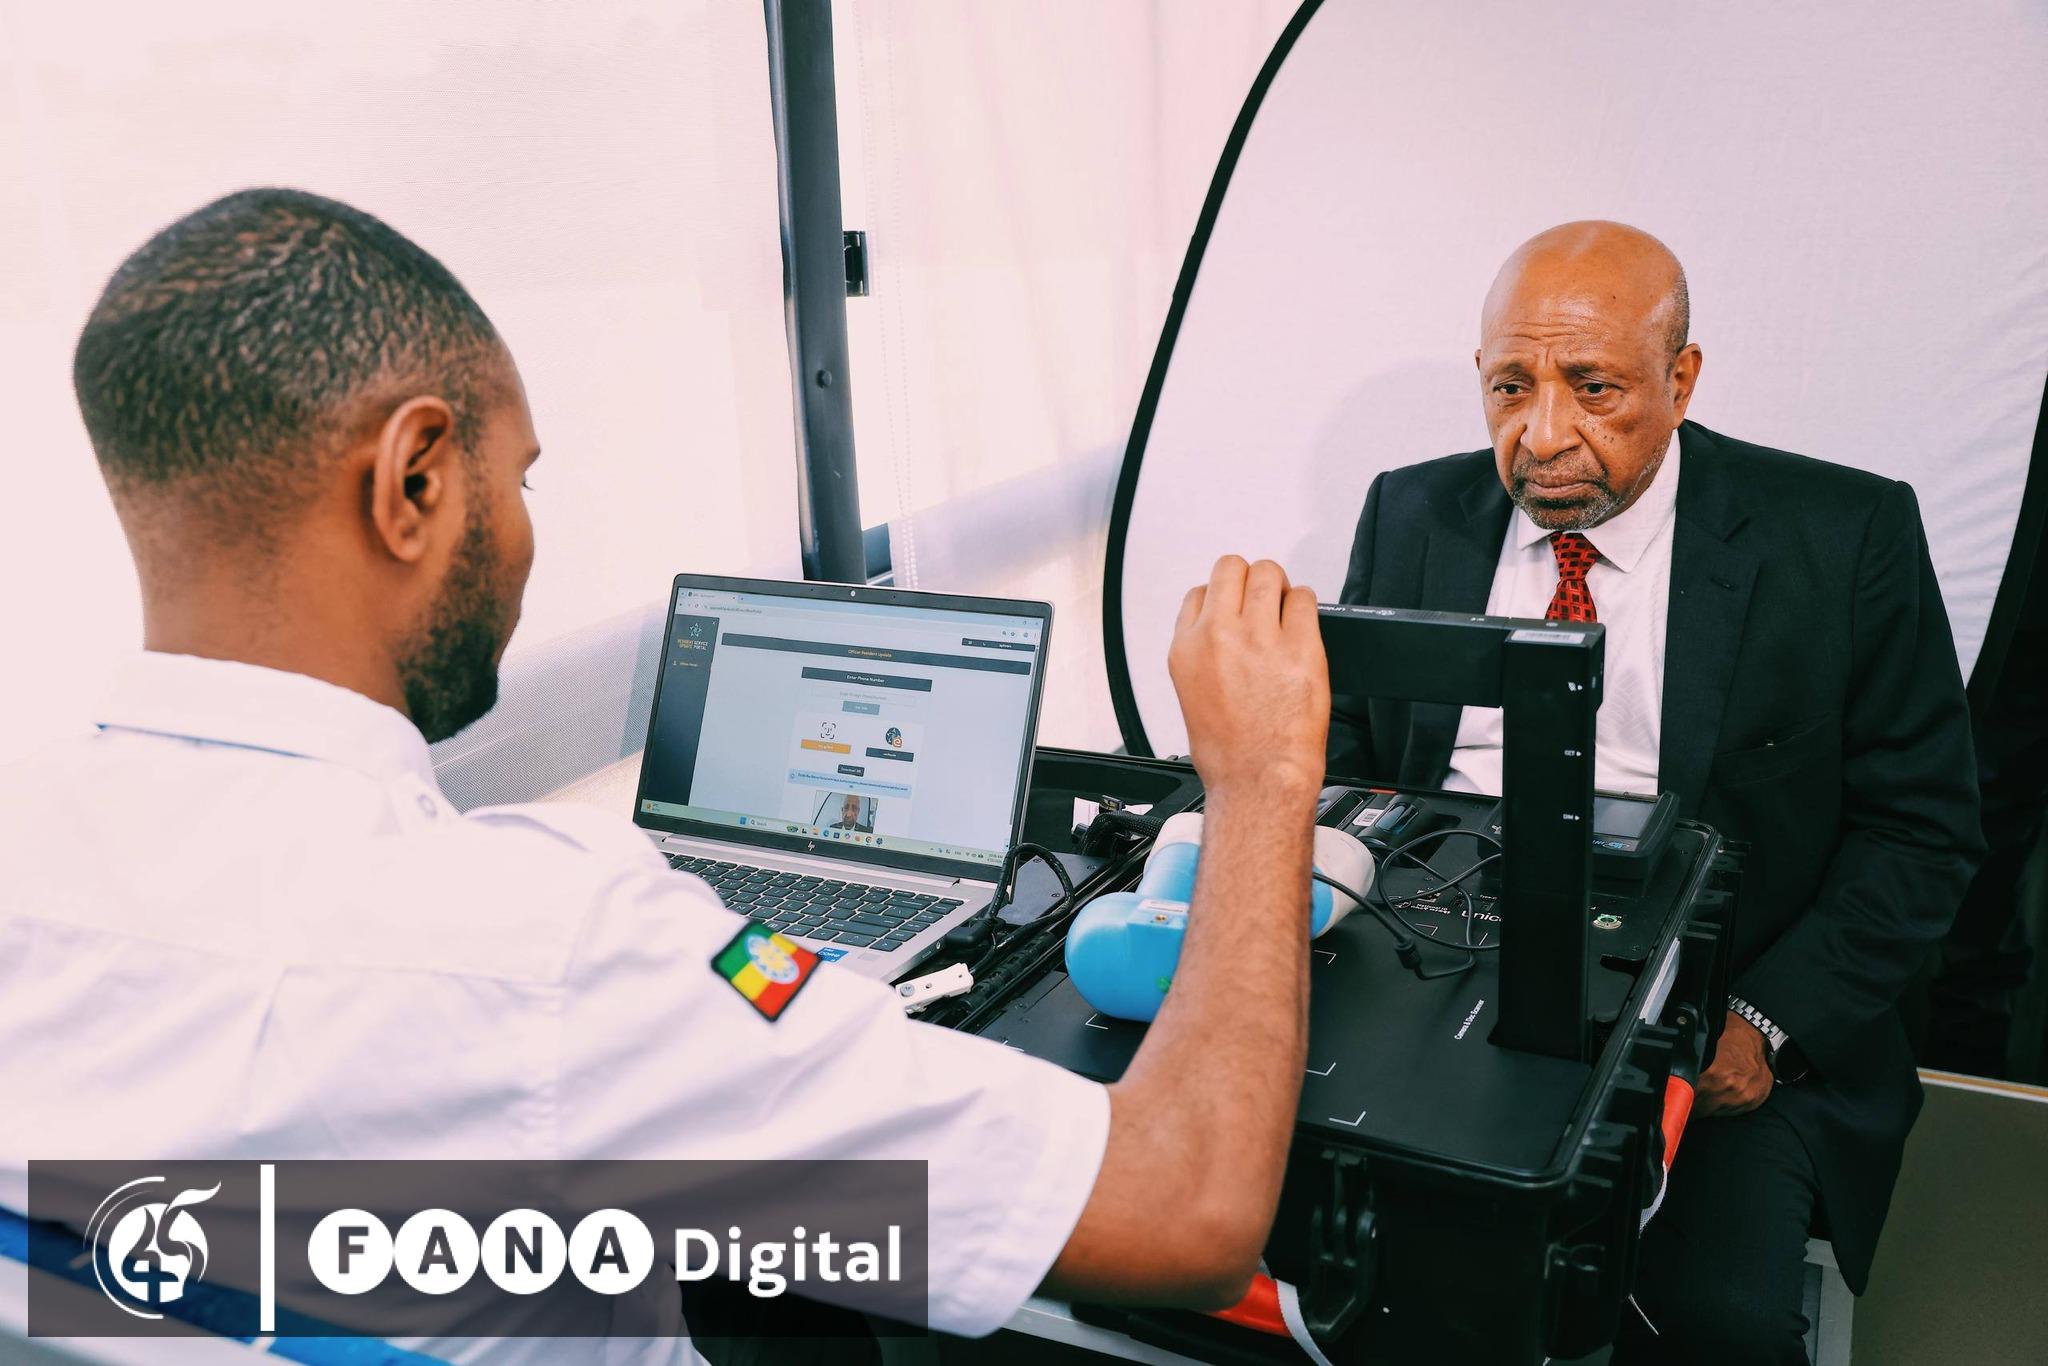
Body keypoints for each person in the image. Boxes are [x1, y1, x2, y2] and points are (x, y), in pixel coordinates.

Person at [0, 189, 1334, 1361]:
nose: (525, 536)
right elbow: (1186, 1209)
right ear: (412, 480)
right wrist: (1263, 774)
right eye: (517, 481)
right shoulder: (563, 951)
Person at [1327, 222, 1983, 1364]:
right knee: (1342, 1259)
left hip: (1720, 999)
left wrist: (1766, 1021)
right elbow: (1347, 759)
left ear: (1679, 381)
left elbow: (1920, 829)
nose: (1543, 435)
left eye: (1593, 388)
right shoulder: (1409, 511)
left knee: (1712, 1323)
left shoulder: (1841, 536)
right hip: (1431, 956)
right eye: (1509, 386)